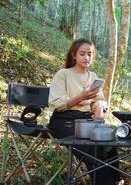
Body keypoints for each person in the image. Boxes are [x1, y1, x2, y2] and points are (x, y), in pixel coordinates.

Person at [48, 38, 118, 185]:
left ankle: (114, 181)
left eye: (90, 54)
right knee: (92, 149)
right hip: (64, 120)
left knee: (109, 144)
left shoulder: (92, 77)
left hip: (86, 121)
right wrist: (81, 96)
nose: (87, 57)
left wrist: (99, 107)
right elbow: (56, 104)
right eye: (82, 54)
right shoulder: (63, 74)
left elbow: (97, 100)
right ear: (74, 55)